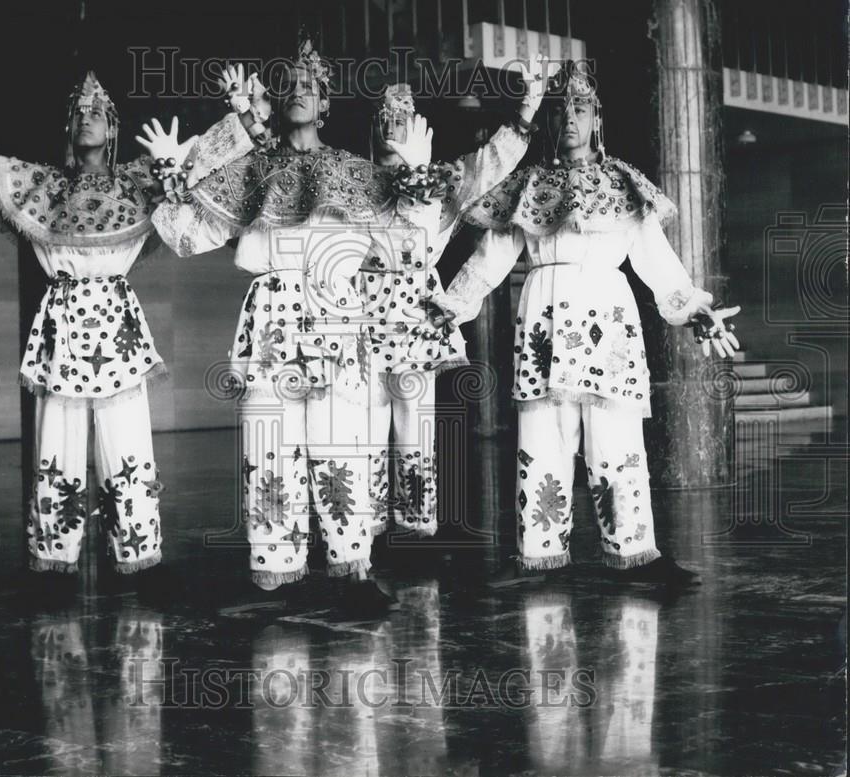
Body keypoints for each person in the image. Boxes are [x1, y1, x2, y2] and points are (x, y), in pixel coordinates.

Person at [0, 69, 257, 576]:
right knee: (56, 439)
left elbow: (201, 155)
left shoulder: (138, 180)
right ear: (67, 128)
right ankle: (54, 554)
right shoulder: (42, 185)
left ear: (112, 128)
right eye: (78, 113)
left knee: (127, 439)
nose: (86, 117)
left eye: (97, 112)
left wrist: (242, 107)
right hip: (63, 323)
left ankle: (138, 552)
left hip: (117, 323)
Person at [148, 41, 437, 615]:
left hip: (337, 308)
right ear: (276, 100)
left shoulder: (355, 172)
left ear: (326, 103)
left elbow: (409, 245)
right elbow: (186, 234)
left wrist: (416, 177)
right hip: (273, 315)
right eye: (288, 84)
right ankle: (275, 572)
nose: (297, 91)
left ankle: (353, 567)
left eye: (310, 84)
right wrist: (178, 171)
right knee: (270, 443)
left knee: (343, 442)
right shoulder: (253, 169)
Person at [426, 62, 740, 586]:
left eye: (579, 108)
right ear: (548, 121)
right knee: (541, 436)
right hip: (543, 318)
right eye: (559, 110)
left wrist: (695, 310)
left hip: (606, 318)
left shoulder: (623, 182)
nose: (569, 118)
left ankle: (636, 553)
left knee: (616, 437)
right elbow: (490, 259)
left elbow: (657, 260)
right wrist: (451, 304)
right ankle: (537, 553)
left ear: (597, 118)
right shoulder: (529, 184)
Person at [361, 57, 548, 543]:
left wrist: (526, 113)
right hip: (360, 312)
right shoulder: (354, 181)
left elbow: (490, 163)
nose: (392, 126)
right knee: (364, 424)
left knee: (415, 425)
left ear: (416, 123)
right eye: (385, 118)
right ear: (374, 126)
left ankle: (417, 527)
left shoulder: (443, 181)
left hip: (416, 312)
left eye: (401, 117)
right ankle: (363, 528)